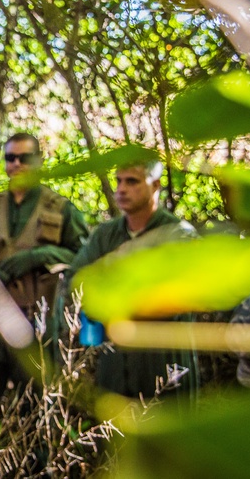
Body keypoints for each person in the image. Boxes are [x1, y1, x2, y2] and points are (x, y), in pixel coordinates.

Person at [0, 133, 88, 462]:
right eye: (10, 158)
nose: (17, 165)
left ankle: (35, 468)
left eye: (24, 158)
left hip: (37, 325)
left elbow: (84, 258)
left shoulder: (61, 209)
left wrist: (44, 254)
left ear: (39, 161)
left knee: (37, 408)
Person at [63, 160, 197, 398]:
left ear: (154, 185)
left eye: (132, 181)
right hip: (114, 364)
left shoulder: (178, 234)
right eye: (118, 181)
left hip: (164, 362)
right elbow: (76, 281)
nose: (122, 189)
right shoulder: (106, 235)